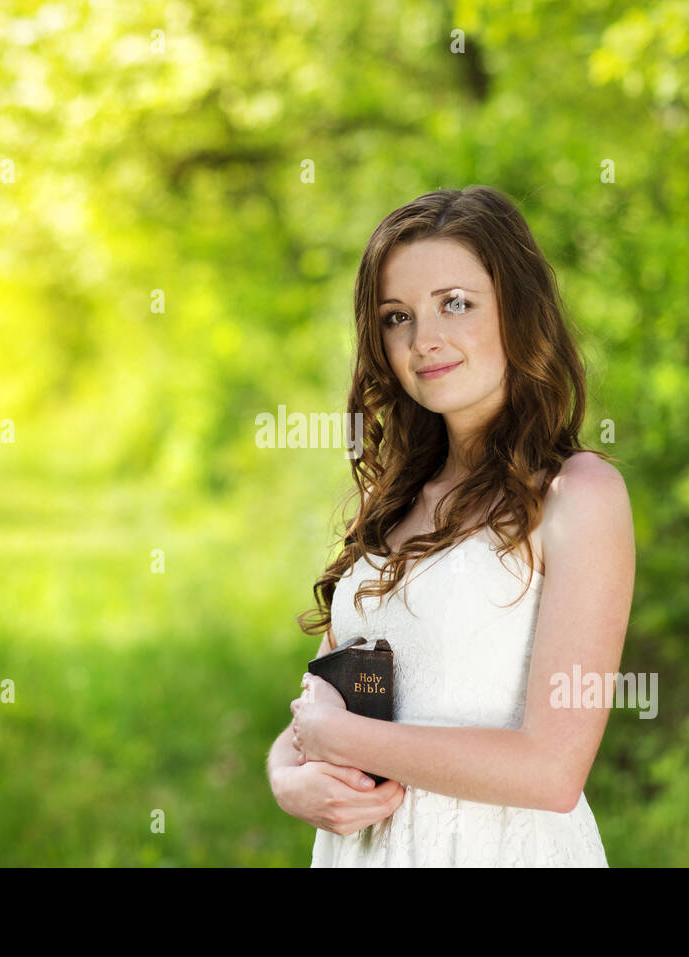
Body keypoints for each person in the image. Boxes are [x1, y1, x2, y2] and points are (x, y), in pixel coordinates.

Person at [265, 185, 635, 866]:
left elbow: (552, 771)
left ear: (518, 312)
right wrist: (286, 777)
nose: (423, 339)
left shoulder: (578, 495)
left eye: (455, 304)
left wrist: (340, 740)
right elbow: (316, 706)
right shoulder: (397, 494)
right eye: (396, 316)